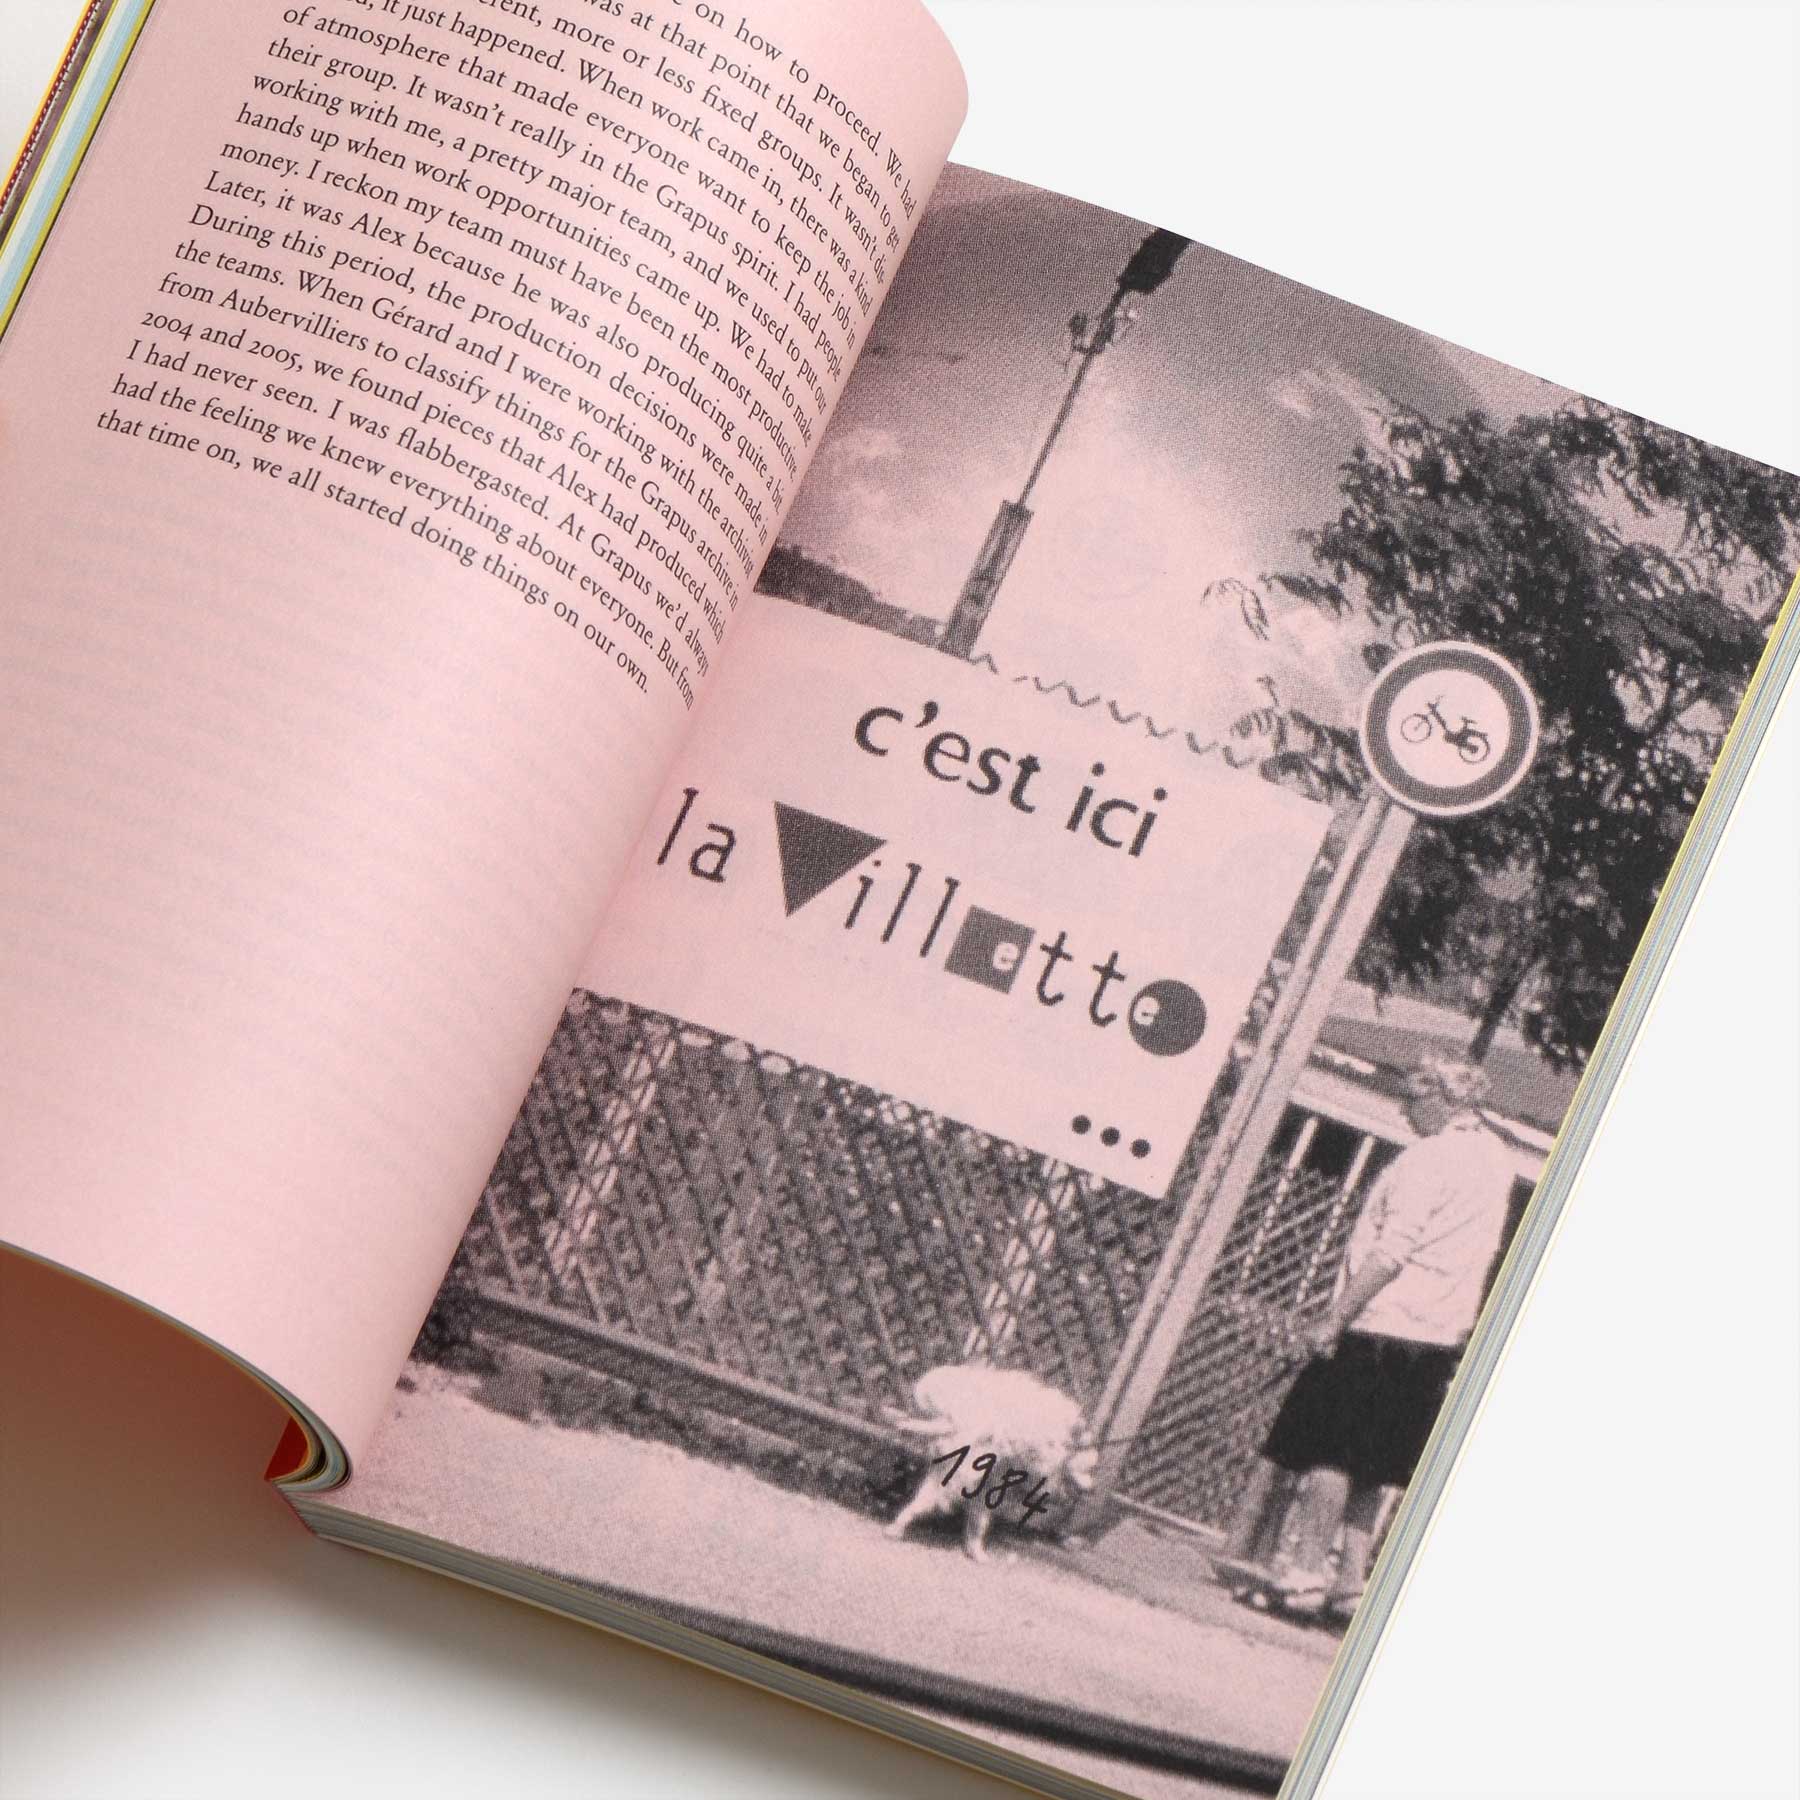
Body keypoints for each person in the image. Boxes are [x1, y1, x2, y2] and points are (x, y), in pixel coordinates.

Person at [1220, 1053, 1519, 1622]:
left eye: (1411, 1097)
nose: (1404, 1109)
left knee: (1329, 1453)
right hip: (1436, 1337)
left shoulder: (1426, 1160)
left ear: (1440, 1095)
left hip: (1382, 1325)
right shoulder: (1496, 1160)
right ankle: (1349, 1586)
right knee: (1374, 1466)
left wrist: (1334, 1319)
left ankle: (1305, 1575)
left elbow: (1390, 1252)